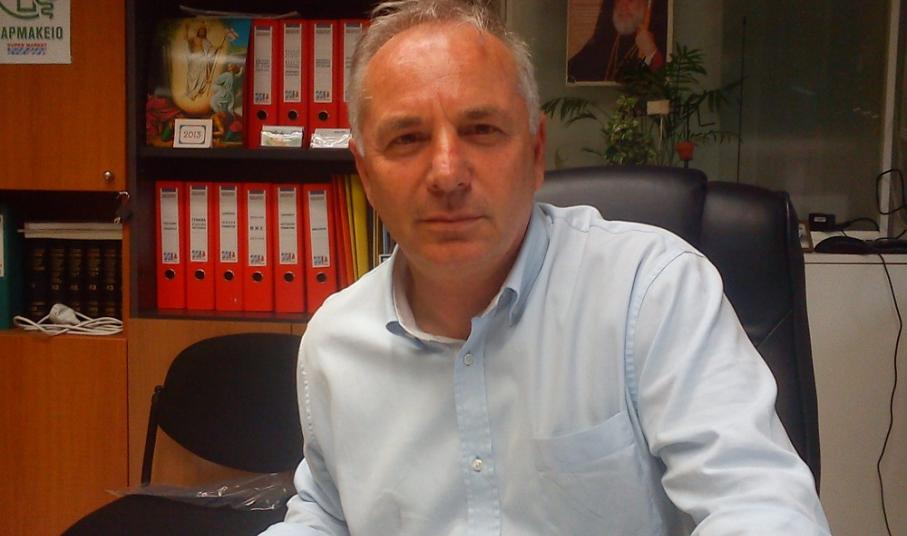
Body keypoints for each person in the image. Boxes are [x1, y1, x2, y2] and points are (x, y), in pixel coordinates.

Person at [262, 1, 830, 534]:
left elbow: (760, 507)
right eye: (407, 138)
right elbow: (325, 512)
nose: (447, 174)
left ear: (536, 153)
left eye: (482, 130)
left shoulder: (650, 292)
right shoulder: (335, 340)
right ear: (366, 174)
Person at [568, 0, 665, 83]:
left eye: (630, 0)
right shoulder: (605, 36)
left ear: (645, 4)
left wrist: (652, 53)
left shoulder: (660, 35)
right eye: (618, 0)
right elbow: (572, 72)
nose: (622, 6)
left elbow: (664, 85)